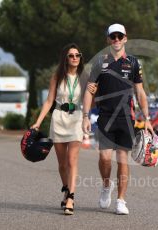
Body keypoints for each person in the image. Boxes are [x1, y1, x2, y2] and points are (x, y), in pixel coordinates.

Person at [82, 23, 154, 215]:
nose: (116, 40)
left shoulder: (133, 63)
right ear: (108, 40)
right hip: (105, 117)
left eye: (119, 36)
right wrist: (85, 116)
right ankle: (107, 186)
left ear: (125, 38)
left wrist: (146, 118)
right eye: (112, 36)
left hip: (126, 118)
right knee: (105, 158)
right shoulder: (100, 62)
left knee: (123, 160)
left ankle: (121, 200)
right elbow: (89, 91)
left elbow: (140, 92)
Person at [31, 43, 95, 215]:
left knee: (72, 161)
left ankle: (71, 198)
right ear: (65, 58)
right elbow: (49, 101)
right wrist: (38, 122)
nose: (75, 58)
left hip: (76, 119)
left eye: (77, 55)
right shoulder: (57, 76)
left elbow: (91, 102)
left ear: (80, 58)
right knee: (62, 164)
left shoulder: (85, 77)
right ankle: (66, 188)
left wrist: (93, 93)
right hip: (58, 118)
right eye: (71, 55)